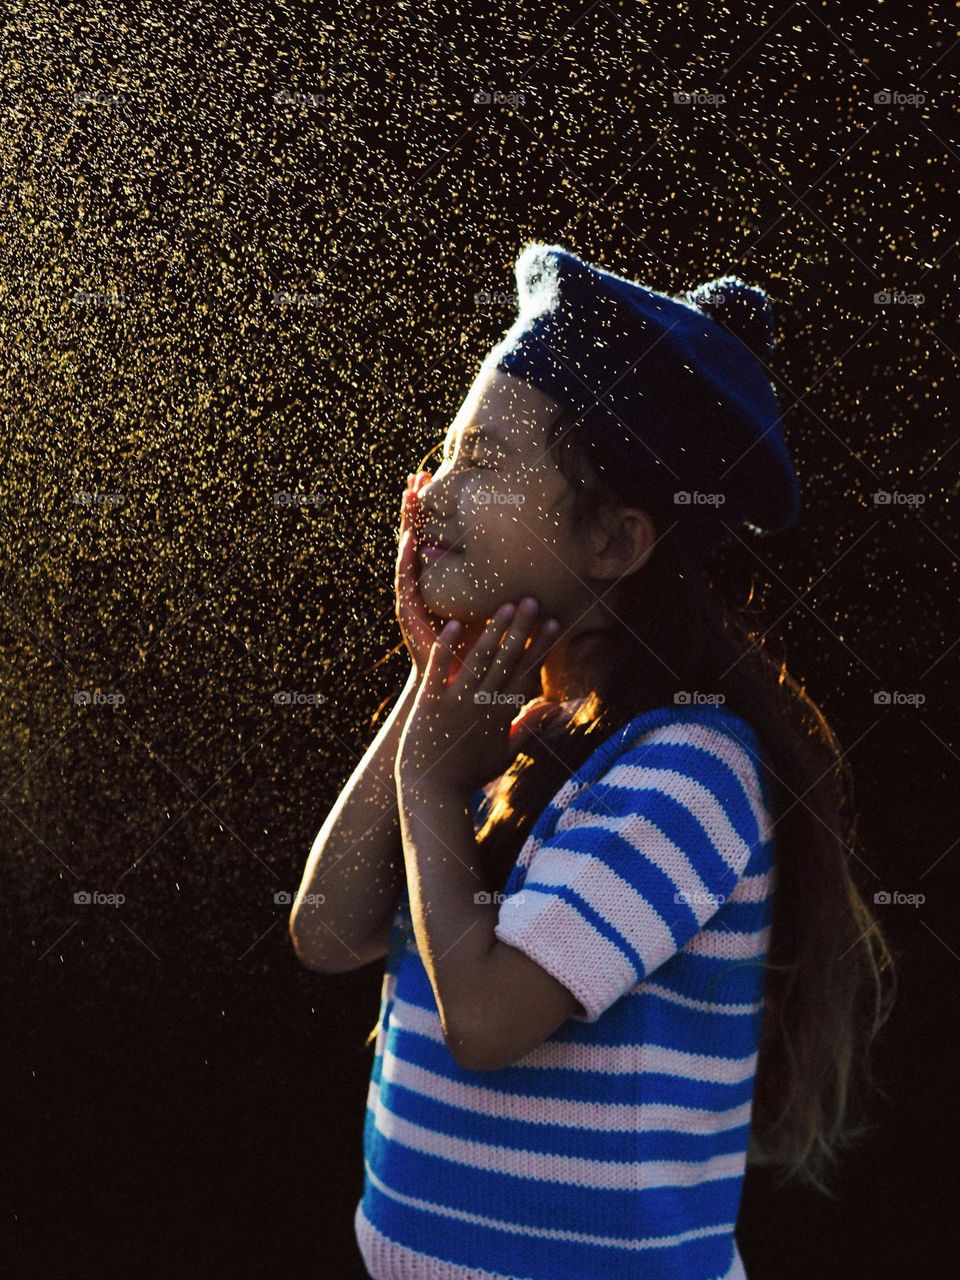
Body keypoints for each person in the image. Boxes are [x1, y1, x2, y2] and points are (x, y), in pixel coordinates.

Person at [290, 243, 897, 1280]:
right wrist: (426, 687)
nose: (430, 488)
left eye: (481, 460)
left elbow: (485, 1021)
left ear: (616, 542)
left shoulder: (690, 770)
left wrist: (433, 784)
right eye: (445, 449)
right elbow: (326, 930)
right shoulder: (493, 727)